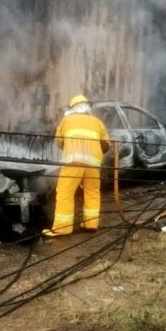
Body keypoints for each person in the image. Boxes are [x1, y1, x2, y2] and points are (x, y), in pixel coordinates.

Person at [43, 95, 110, 237]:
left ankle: (63, 228)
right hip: (93, 164)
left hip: (73, 162)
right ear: (87, 107)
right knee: (92, 192)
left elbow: (59, 142)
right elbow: (106, 144)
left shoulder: (67, 120)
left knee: (65, 192)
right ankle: (91, 225)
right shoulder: (97, 122)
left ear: (72, 108)